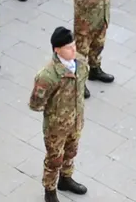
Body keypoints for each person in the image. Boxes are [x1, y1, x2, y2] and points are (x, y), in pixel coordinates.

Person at [29, 27, 89, 202]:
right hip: (56, 127)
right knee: (54, 160)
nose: (74, 50)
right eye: (69, 47)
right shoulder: (47, 76)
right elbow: (36, 104)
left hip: (76, 120)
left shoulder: (81, 64)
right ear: (57, 49)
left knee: (71, 152)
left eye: (74, 45)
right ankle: (50, 191)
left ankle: (66, 179)